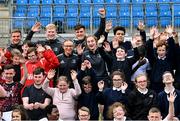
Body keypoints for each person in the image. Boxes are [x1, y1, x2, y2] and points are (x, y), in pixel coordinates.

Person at [146, 26, 175, 93]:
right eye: (159, 50)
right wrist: (151, 37)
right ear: (157, 51)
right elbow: (149, 50)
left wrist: (170, 35)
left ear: (166, 51)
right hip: (155, 87)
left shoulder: (169, 59)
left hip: (168, 85)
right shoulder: (154, 60)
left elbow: (172, 48)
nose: (161, 52)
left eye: (163, 50)